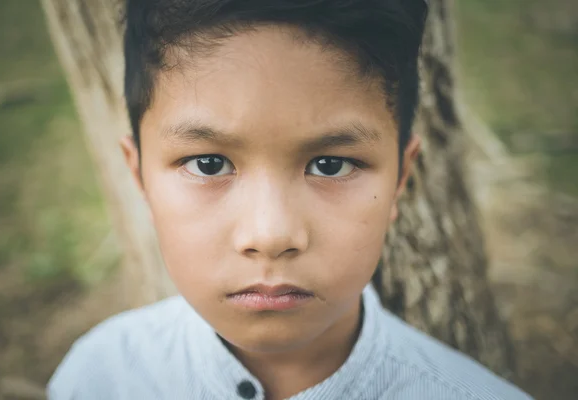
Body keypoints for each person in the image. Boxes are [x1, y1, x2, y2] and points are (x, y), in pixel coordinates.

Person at [48, 0, 533, 399]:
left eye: (330, 164)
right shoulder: (98, 377)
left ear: (400, 178)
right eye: (209, 164)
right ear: (140, 177)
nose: (270, 235)